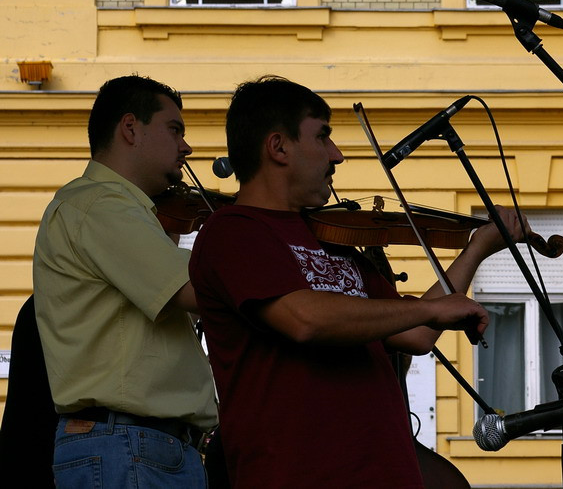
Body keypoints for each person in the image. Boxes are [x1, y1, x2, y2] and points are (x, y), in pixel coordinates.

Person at [189, 75, 527, 488]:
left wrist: (476, 249)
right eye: (323, 137)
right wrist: (429, 307)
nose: (337, 155)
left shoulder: (333, 239)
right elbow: (305, 320)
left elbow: (418, 333)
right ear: (278, 147)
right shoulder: (233, 231)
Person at [33, 75, 218, 487]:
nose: (186, 147)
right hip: (129, 444)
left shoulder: (125, 210)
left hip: (135, 444)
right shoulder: (101, 203)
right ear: (131, 128)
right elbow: (197, 289)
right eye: (175, 130)